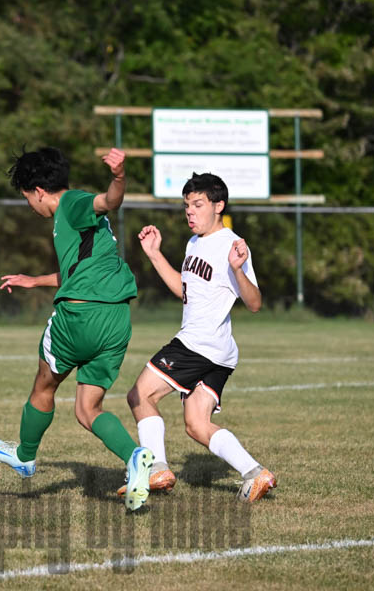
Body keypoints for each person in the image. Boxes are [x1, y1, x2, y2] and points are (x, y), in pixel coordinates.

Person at [0, 145, 155, 511]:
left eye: (27, 198)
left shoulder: (71, 203)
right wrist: (36, 280)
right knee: (86, 408)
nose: (29, 206)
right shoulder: (78, 223)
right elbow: (79, 270)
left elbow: (108, 201)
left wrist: (119, 177)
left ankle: (26, 456)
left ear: (39, 192)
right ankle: (136, 457)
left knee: (44, 384)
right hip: (116, 321)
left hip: (81, 318)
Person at [119, 172, 277, 503]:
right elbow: (185, 291)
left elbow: (255, 303)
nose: (190, 211)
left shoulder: (231, 245)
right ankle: (255, 473)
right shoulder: (194, 243)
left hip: (198, 344)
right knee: (196, 424)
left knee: (139, 396)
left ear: (219, 205)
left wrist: (237, 269)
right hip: (219, 351)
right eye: (187, 205)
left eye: (198, 204)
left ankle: (157, 468)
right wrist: (154, 254)